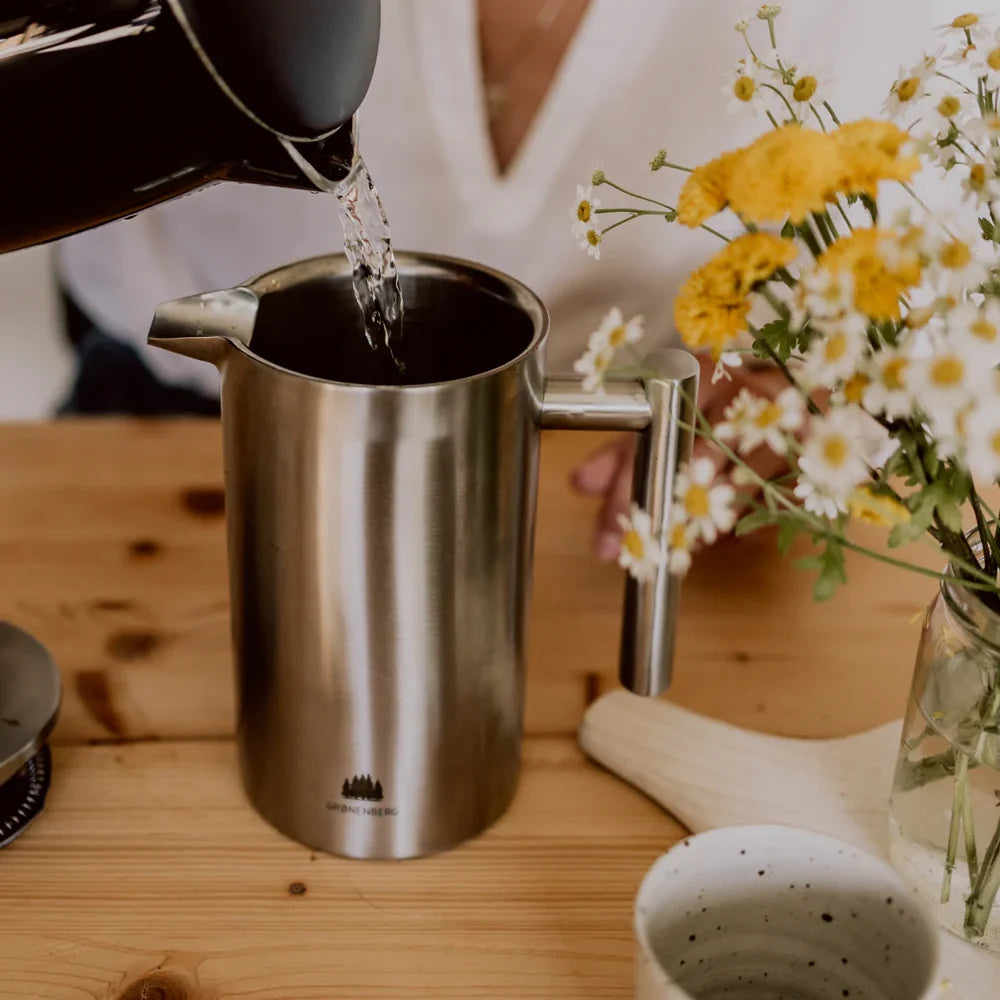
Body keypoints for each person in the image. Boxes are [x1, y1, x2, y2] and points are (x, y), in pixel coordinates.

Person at [57, 0, 956, 555]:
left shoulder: (893, 27)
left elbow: (926, 295)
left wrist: (786, 392)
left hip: (614, 481)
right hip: (175, 425)